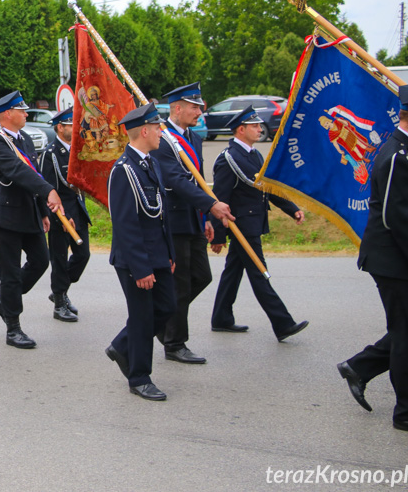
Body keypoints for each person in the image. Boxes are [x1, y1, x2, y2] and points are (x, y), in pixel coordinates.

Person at [337, 84, 408, 433]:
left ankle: (360, 367)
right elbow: (398, 220)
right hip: (394, 261)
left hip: (400, 257)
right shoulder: (398, 156)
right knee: (407, 335)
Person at [150, 83, 234, 364]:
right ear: (177, 108)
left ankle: (164, 319)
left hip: (194, 219)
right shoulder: (162, 139)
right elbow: (175, 179)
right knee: (181, 285)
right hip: (174, 221)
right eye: (195, 107)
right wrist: (211, 206)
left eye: (200, 106)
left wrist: (206, 217)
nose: (200, 111)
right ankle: (174, 342)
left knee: (202, 277)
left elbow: (198, 181)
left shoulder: (194, 139)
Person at [209, 107, 308, 341]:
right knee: (259, 273)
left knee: (233, 270)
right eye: (254, 126)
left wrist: (291, 209)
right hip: (241, 226)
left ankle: (221, 318)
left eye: (259, 125)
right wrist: (219, 235)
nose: (260, 129)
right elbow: (219, 198)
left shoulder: (253, 155)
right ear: (241, 130)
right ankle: (283, 323)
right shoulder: (229, 158)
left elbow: (266, 187)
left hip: (253, 222)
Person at [105, 103, 176, 401]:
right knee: (143, 316)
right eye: (157, 127)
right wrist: (141, 268)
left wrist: (169, 253)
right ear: (144, 131)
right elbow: (125, 224)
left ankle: (123, 345)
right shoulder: (123, 171)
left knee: (168, 307)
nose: (161, 132)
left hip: (158, 254)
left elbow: (162, 215)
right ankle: (139, 377)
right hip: (135, 259)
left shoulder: (152, 163)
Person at [0, 91, 64, 349]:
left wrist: (42, 210)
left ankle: (4, 302)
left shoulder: (25, 139)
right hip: (5, 214)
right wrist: (49, 191)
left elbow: (35, 172)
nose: (26, 114)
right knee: (10, 273)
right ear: (8, 113)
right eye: (22, 110)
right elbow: (17, 171)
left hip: (28, 211)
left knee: (41, 260)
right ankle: (13, 328)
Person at [39, 107, 89, 322]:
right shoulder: (50, 154)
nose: (76, 128)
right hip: (59, 213)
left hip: (77, 210)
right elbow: (46, 188)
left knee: (82, 255)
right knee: (59, 258)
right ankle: (60, 302)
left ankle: (60, 290)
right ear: (60, 127)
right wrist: (57, 214)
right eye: (71, 125)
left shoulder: (78, 150)